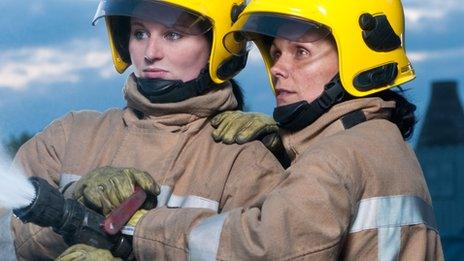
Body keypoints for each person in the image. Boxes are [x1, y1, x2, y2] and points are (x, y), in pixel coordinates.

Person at [123, 0, 444, 259]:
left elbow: (265, 248)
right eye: (276, 53)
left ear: (357, 60)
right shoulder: (384, 144)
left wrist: (141, 230)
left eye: (301, 52)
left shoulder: (336, 158)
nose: (277, 68)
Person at [8, 0, 286, 260]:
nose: (151, 53)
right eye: (140, 33)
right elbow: (10, 240)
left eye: (173, 35)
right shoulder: (68, 136)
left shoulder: (245, 162)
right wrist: (72, 201)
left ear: (220, 45)